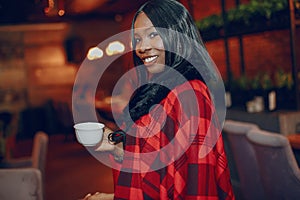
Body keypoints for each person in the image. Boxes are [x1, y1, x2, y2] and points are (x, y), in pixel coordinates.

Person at [84, 0, 234, 199]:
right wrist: (117, 146)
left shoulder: (190, 96)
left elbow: (194, 187)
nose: (142, 47)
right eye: (137, 39)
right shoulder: (161, 90)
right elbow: (156, 166)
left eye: (153, 34)